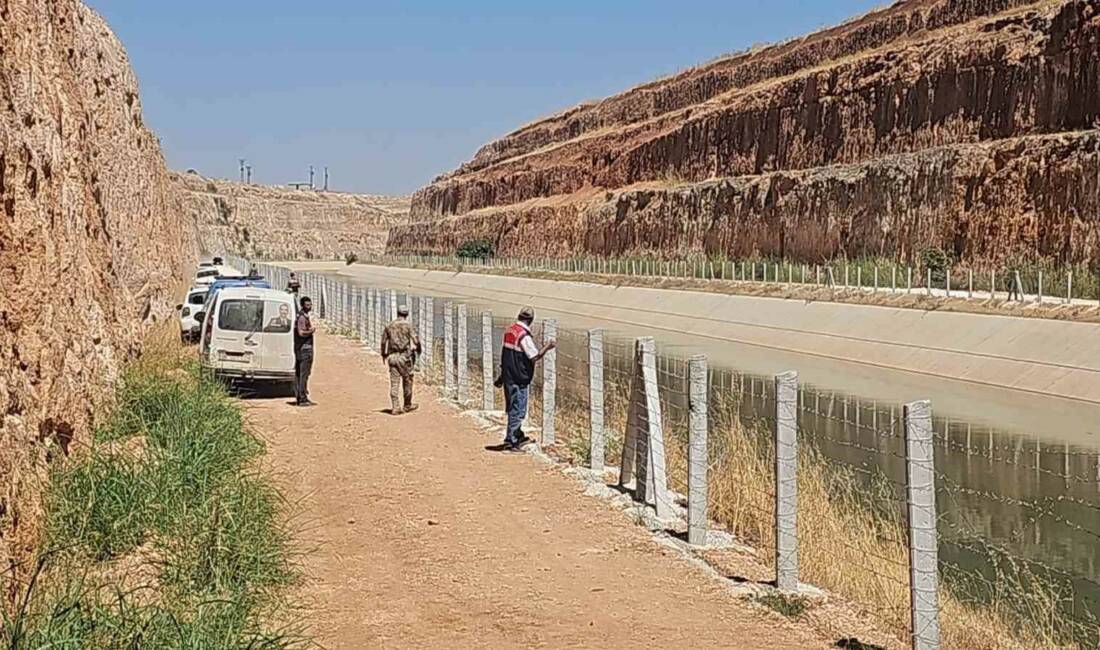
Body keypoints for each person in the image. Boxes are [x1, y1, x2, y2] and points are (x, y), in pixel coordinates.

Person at [497, 306, 555, 451]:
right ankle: (511, 441)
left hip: (509, 375)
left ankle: (517, 434)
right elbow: (534, 356)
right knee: (518, 409)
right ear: (530, 320)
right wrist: (547, 346)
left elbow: (506, 355)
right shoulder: (523, 336)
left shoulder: (510, 331)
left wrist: (501, 376)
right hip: (519, 377)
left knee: (513, 406)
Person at [380, 305, 422, 415]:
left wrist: (383, 354)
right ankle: (407, 405)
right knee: (407, 381)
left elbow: (383, 342)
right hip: (405, 357)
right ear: (406, 314)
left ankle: (395, 407)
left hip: (393, 357)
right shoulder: (408, 326)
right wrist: (418, 349)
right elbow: (416, 340)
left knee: (394, 383)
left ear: (398, 313)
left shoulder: (389, 326)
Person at [294, 296, 316, 406]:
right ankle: (302, 398)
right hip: (304, 350)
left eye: (310, 304)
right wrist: (311, 331)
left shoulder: (303, 316)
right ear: (302, 305)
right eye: (307, 305)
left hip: (302, 349)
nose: (310, 307)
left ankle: (301, 396)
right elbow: (301, 333)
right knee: (303, 374)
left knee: (301, 374)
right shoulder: (302, 318)